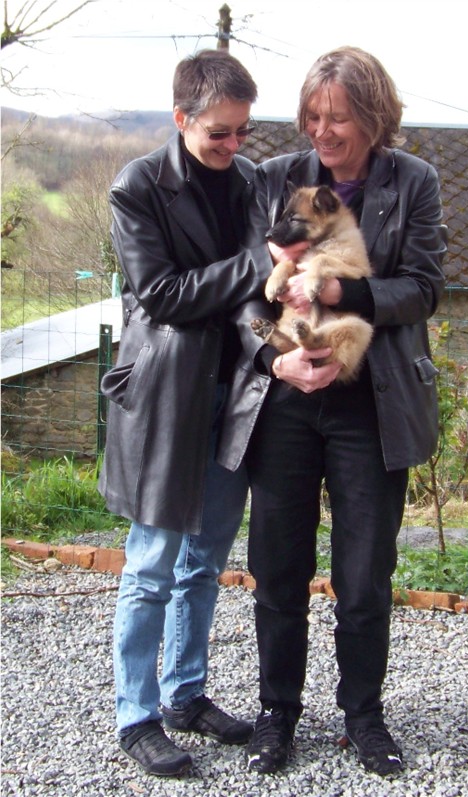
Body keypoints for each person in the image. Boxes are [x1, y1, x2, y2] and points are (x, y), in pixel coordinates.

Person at [218, 46, 447, 777]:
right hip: (286, 395)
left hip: (369, 400)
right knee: (277, 567)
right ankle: (276, 713)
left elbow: (424, 288)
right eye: (313, 116)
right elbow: (246, 296)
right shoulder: (277, 178)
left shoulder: (413, 182)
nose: (322, 130)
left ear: (374, 117)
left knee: (365, 571)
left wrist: (344, 296)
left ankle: (364, 714)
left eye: (339, 118)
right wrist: (271, 357)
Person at [97, 49, 282, 779]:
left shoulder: (253, 182)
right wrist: (258, 264)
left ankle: (185, 692)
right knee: (150, 565)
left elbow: (254, 297)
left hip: (236, 390)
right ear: (182, 120)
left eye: (243, 133)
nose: (234, 148)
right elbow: (165, 294)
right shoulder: (136, 186)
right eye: (219, 134)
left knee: (205, 560)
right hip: (167, 397)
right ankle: (135, 714)